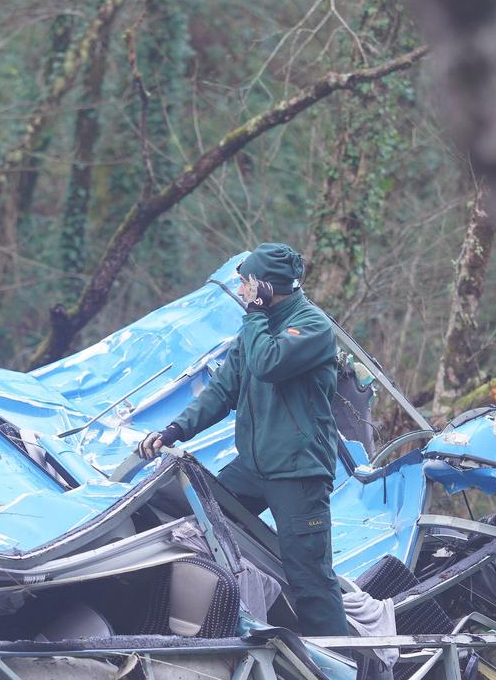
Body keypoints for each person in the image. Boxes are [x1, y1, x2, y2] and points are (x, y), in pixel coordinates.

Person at [136, 243, 349, 636]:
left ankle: (345, 679)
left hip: (297, 472)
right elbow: (221, 391)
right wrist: (173, 431)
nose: (241, 290)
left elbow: (270, 364)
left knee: (310, 578)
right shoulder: (257, 327)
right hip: (253, 467)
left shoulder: (311, 327)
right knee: (195, 522)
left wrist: (254, 315)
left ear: (265, 286)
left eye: (246, 282)